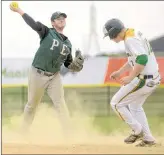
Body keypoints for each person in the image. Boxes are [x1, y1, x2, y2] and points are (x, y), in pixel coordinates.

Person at [10, 3, 84, 136]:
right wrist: (19, 11)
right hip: (38, 73)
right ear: (53, 22)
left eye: (63, 18)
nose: (61, 19)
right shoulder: (47, 32)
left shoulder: (68, 44)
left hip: (54, 76)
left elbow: (68, 64)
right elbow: (33, 24)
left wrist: (76, 66)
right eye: (58, 18)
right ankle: (22, 133)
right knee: (32, 105)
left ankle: (69, 135)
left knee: (60, 103)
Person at [103, 18, 161, 147]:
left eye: (110, 35)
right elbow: (134, 59)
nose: (110, 38)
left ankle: (137, 130)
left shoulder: (130, 39)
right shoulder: (132, 34)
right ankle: (148, 139)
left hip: (144, 79)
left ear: (114, 32)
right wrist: (120, 71)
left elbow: (142, 58)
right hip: (152, 78)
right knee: (135, 106)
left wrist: (130, 77)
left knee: (116, 103)